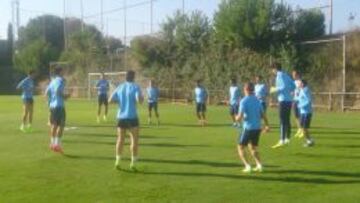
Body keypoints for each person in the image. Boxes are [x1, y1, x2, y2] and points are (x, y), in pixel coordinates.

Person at [109, 70, 144, 170]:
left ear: (126, 77)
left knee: (120, 139)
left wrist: (120, 102)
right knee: (134, 140)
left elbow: (110, 100)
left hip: (121, 117)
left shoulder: (120, 87)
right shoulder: (135, 87)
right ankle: (133, 163)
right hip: (132, 117)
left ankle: (117, 161)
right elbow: (139, 100)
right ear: (133, 77)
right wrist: (141, 98)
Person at [236, 82, 270, 173]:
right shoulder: (257, 100)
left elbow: (239, 117)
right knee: (253, 147)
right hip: (257, 128)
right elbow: (263, 115)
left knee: (240, 147)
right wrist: (267, 125)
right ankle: (259, 165)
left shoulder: (244, 101)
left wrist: (236, 118)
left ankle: (247, 166)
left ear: (246, 90)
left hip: (248, 128)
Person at [269, 63, 295, 148]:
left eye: (272, 69)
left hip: (283, 100)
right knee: (287, 119)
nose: (272, 71)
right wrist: (290, 91)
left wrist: (274, 89)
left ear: (275, 69)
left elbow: (283, 86)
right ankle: (287, 138)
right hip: (289, 100)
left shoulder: (279, 76)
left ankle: (281, 140)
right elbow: (293, 85)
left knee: (282, 120)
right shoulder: (286, 75)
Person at [48, 66, 70, 153]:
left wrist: (50, 101)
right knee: (61, 125)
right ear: (60, 72)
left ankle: (52, 143)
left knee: (54, 125)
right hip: (59, 106)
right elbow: (58, 91)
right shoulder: (60, 80)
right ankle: (57, 145)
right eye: (62, 71)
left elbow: (48, 92)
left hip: (52, 106)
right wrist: (65, 96)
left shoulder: (52, 81)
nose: (63, 72)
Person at [297, 80, 315, 147]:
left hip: (307, 112)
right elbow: (300, 99)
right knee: (302, 128)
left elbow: (308, 100)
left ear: (303, 84)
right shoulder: (301, 90)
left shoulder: (306, 90)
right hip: (302, 112)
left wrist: (301, 105)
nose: (299, 84)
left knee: (304, 128)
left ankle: (310, 141)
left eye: (300, 83)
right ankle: (309, 140)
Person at [292, 70, 302, 137]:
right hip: (294, 100)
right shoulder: (293, 82)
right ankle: (299, 129)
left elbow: (302, 91)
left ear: (298, 74)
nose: (293, 76)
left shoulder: (300, 82)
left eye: (294, 74)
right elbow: (293, 91)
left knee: (300, 115)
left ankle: (302, 129)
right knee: (296, 115)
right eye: (292, 74)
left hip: (300, 101)